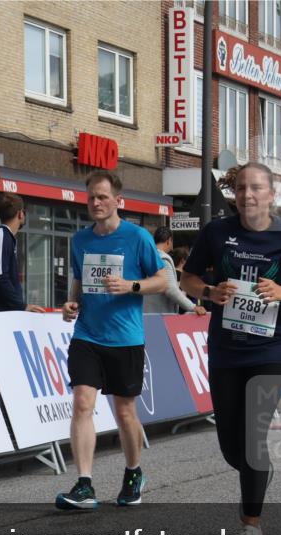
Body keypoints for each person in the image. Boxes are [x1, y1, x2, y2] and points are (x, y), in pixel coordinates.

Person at [180, 163, 281, 535]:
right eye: (243, 188)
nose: (248, 195)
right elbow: (187, 279)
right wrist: (210, 292)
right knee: (232, 446)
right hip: (226, 350)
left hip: (271, 351)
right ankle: (256, 471)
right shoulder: (216, 232)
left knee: (251, 437)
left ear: (271, 195)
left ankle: (251, 526)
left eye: (257, 188)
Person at [55, 171, 169, 511]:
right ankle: (84, 485)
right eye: (91, 196)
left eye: (102, 196)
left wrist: (131, 286)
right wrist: (72, 302)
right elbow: (79, 280)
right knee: (82, 403)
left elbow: (162, 280)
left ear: (118, 200)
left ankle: (134, 472)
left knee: (124, 411)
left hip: (125, 337)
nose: (96, 202)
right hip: (87, 334)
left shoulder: (137, 237)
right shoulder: (80, 240)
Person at [0, 193, 45, 313]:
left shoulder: (4, 237)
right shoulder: (2, 236)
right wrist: (21, 306)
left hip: (3, 313)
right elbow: (0, 276)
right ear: (20, 214)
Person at [142, 226, 207, 316]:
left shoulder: (146, 256)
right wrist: (193, 307)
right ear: (169, 240)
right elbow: (171, 289)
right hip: (161, 316)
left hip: (145, 314)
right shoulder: (163, 259)